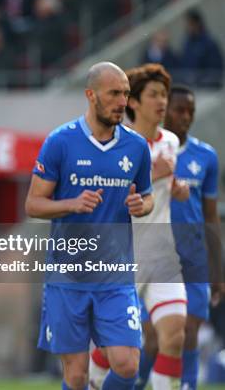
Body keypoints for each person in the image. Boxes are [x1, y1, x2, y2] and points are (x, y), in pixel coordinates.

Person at [25, 61, 154, 390]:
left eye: (125, 94)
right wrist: (72, 203)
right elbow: (33, 204)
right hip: (68, 278)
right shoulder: (60, 142)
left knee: (127, 365)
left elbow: (148, 196)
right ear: (90, 95)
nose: (122, 102)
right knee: (77, 375)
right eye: (114, 93)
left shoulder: (137, 147)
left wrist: (142, 205)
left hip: (116, 276)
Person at [90, 63, 190, 390]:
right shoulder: (120, 145)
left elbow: (166, 187)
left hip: (162, 254)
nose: (162, 102)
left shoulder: (171, 142)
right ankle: (93, 381)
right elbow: (106, 201)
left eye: (164, 95)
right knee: (112, 349)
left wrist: (178, 188)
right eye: (153, 95)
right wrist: (158, 175)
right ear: (134, 102)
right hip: (122, 255)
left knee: (175, 333)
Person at [163, 85, 222, 389]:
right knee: (154, 335)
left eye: (191, 111)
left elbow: (211, 216)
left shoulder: (206, 157)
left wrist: (218, 270)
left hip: (194, 256)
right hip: (156, 255)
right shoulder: (149, 150)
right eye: (179, 110)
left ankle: (186, 384)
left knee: (190, 326)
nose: (186, 117)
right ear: (164, 110)